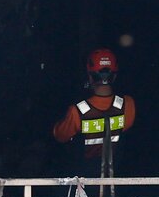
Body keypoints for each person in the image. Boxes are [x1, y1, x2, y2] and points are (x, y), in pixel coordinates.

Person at [52, 48, 136, 181]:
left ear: (90, 76)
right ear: (114, 75)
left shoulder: (77, 111)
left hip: (83, 185)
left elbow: (60, 136)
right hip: (114, 181)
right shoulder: (128, 104)